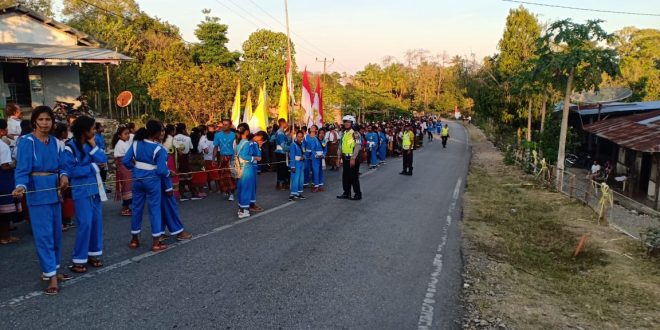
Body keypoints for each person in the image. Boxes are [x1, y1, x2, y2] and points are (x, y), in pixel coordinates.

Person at [13, 106, 72, 295]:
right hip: (37, 191)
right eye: (41, 120)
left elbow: (63, 165)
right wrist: (21, 186)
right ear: (35, 122)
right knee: (43, 235)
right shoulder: (26, 142)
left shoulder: (55, 142)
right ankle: (51, 278)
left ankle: (52, 269)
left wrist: (64, 176)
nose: (45, 123)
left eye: (48, 119)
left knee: (55, 232)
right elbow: (22, 170)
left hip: (55, 191)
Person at [63, 116, 108, 274]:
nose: (94, 131)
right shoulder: (70, 147)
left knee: (96, 222)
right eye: (92, 128)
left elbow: (103, 160)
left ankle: (94, 254)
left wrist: (94, 146)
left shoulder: (92, 144)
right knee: (85, 223)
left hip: (95, 189)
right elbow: (71, 171)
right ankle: (79, 259)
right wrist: (92, 167)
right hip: (81, 190)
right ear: (84, 130)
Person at [122, 120, 169, 252]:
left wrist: (135, 168)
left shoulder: (136, 143)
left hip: (137, 179)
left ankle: (134, 240)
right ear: (157, 132)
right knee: (154, 209)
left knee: (136, 208)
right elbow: (161, 171)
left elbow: (126, 161)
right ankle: (156, 243)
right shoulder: (159, 149)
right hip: (152, 181)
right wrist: (168, 172)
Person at [235, 123, 262, 218]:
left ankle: (241, 208)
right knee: (247, 188)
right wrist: (254, 158)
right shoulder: (246, 142)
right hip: (247, 167)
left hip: (241, 168)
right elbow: (244, 155)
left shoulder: (238, 142)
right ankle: (243, 210)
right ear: (246, 131)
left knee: (242, 188)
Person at [0, 119, 20, 245]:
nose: (7, 131)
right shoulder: (2, 146)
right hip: (3, 178)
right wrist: (15, 164)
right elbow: (5, 166)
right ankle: (5, 236)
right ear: (2, 131)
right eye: (6, 128)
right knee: (4, 210)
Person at [53, 122, 75, 230]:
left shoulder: (53, 141)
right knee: (63, 196)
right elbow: (62, 161)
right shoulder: (60, 143)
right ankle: (63, 221)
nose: (68, 133)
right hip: (61, 173)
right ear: (62, 133)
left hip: (56, 173)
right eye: (67, 131)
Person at [337, 115, 362, 201]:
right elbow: (341, 146)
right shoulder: (344, 133)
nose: (346, 123)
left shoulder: (355, 133)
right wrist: (338, 157)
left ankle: (357, 194)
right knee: (345, 176)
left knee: (353, 177)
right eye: (345, 122)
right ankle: (346, 193)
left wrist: (353, 158)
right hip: (345, 157)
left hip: (352, 158)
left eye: (348, 122)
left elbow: (358, 146)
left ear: (352, 123)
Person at [173, 123, 200, 200]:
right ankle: (193, 194)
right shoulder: (187, 138)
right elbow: (191, 147)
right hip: (186, 157)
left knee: (180, 176)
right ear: (183, 130)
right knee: (189, 177)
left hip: (177, 159)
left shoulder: (174, 138)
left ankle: (182, 195)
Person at [213, 119, 237, 201]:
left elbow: (237, 147)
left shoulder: (234, 135)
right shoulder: (217, 135)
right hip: (222, 158)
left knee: (231, 176)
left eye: (226, 124)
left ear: (230, 125)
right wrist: (214, 158)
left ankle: (232, 193)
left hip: (232, 157)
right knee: (223, 176)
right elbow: (215, 147)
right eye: (223, 124)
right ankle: (228, 190)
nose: (224, 126)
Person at [112, 125, 133, 216]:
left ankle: (127, 207)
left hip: (127, 165)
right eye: (125, 134)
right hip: (124, 166)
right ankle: (125, 208)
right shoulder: (120, 144)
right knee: (126, 186)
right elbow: (127, 156)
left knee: (129, 186)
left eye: (128, 133)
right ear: (120, 136)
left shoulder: (125, 142)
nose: (128, 135)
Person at [288, 130, 307, 201]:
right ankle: (292, 194)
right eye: (298, 137)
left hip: (301, 163)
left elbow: (305, 153)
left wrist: (304, 157)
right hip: (295, 163)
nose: (300, 138)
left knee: (301, 179)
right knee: (295, 179)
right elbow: (292, 156)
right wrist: (292, 166)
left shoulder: (303, 145)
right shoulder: (293, 145)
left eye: (301, 137)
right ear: (296, 137)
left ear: (302, 137)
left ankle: (298, 193)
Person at [273, 118, 291, 190]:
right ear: (282, 123)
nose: (287, 124)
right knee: (282, 169)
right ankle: (280, 184)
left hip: (281, 153)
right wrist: (291, 148)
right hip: (281, 153)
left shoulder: (281, 132)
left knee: (283, 168)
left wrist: (289, 138)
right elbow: (283, 145)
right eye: (286, 122)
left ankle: (282, 183)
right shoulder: (280, 133)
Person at [94, 122, 110, 193]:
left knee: (104, 173)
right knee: (101, 173)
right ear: (97, 129)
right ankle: (101, 188)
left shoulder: (101, 136)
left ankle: (104, 187)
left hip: (103, 155)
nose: (102, 128)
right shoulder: (95, 137)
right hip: (99, 156)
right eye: (100, 127)